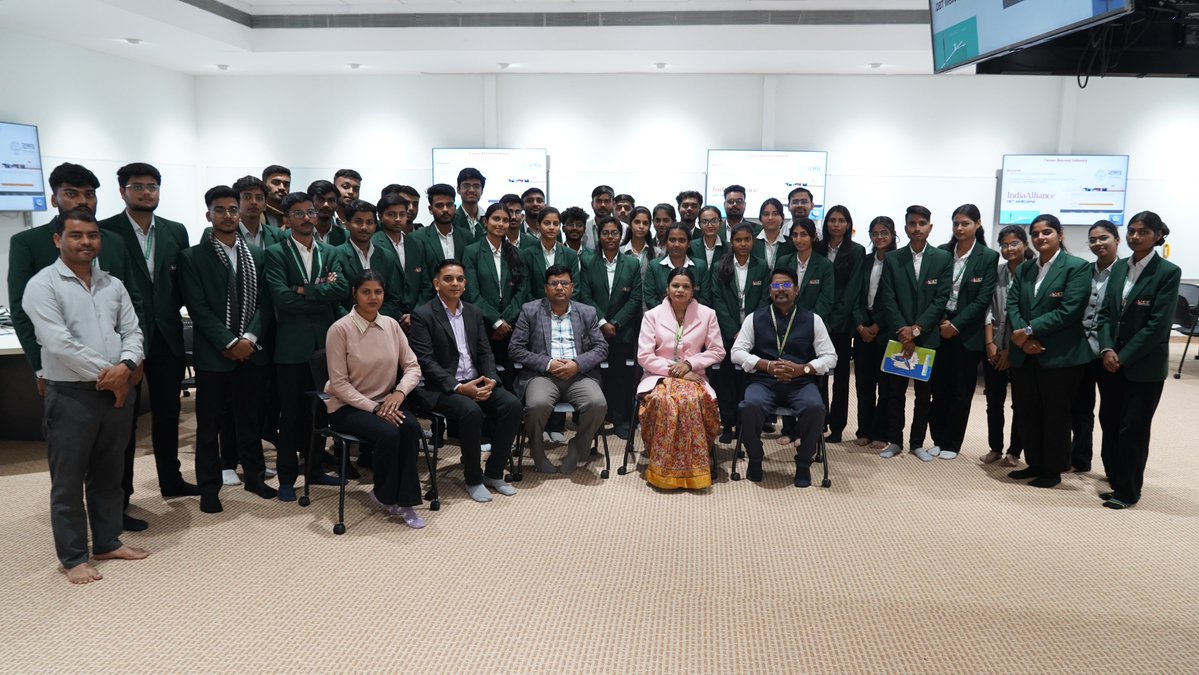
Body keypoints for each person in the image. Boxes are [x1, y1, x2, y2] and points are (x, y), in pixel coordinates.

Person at [7, 162, 148, 531]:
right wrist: (40, 367)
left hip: (121, 369)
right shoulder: (28, 244)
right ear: (55, 198)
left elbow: (130, 303)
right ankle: (73, 548)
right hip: (65, 376)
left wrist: (132, 362)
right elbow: (27, 318)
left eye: (88, 194)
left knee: (115, 454)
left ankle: (115, 518)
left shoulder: (112, 240)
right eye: (72, 193)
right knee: (70, 467)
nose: (81, 201)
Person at [23, 209, 148, 583]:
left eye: (92, 235)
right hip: (70, 395)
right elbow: (59, 344)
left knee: (109, 474)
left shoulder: (113, 284)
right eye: (76, 236)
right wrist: (112, 376)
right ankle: (74, 557)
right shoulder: (42, 285)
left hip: (116, 392)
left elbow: (133, 331)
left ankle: (107, 541)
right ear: (58, 240)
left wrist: (125, 366)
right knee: (68, 480)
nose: (86, 242)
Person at [98, 162, 196, 500]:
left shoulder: (175, 230)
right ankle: (121, 494)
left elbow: (181, 282)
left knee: (168, 413)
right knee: (123, 420)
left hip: (167, 334)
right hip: (123, 340)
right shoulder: (104, 231)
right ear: (123, 191)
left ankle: (171, 480)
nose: (145, 192)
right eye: (137, 186)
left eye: (152, 186)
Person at [178, 186, 278, 513]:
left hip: (252, 352)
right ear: (209, 215)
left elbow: (265, 302)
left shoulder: (257, 255)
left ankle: (254, 476)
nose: (227, 215)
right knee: (209, 427)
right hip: (214, 356)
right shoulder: (192, 257)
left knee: (249, 420)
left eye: (232, 209)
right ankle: (209, 488)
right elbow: (198, 307)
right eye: (219, 210)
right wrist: (230, 342)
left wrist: (248, 338)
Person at [408, 259, 522, 503]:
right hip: (441, 388)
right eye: (448, 279)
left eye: (460, 279)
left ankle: (494, 472)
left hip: (477, 380)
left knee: (512, 405)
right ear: (436, 284)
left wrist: (491, 379)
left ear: (465, 283)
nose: (455, 283)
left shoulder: (473, 311)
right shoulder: (423, 314)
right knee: (471, 412)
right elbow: (426, 362)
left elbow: (484, 352)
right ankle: (473, 478)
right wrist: (460, 387)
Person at [325, 270, 427, 528]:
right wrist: (374, 408)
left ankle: (407, 502)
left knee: (412, 427)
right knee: (388, 433)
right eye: (366, 292)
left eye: (378, 292)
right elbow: (338, 383)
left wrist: (399, 392)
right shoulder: (340, 329)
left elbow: (413, 366)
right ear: (354, 294)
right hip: (347, 407)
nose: (373, 297)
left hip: (387, 402)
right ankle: (383, 494)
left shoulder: (391, 325)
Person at [264, 191, 348, 501]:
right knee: (292, 414)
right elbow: (282, 300)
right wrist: (317, 291)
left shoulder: (330, 250)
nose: (306, 218)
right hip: (291, 347)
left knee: (320, 411)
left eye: (310, 212)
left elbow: (340, 289)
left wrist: (303, 290)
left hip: (325, 345)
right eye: (298, 213)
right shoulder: (275, 253)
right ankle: (287, 477)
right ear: (287, 219)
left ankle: (314, 470)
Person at [1095, 211, 1180, 509]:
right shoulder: (1118, 269)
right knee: (1110, 422)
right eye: (1131, 231)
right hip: (1111, 361)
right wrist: (1107, 349)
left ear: (1157, 235)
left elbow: (1157, 325)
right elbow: (1104, 313)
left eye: (1142, 232)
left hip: (1143, 366)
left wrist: (1124, 357)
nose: (1134, 237)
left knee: (1133, 428)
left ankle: (1129, 491)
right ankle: (1117, 481)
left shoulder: (1168, 272)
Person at [1006, 214, 1092, 489]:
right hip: (1025, 352)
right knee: (1027, 411)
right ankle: (1035, 463)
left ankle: (1053, 469)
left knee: (1056, 414)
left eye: (1047, 232)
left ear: (1060, 234)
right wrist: (1022, 339)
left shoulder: (1077, 267)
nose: (1040, 237)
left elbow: (1069, 311)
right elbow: (1013, 305)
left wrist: (1029, 332)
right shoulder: (1025, 268)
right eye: (1036, 233)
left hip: (1059, 355)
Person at [731, 268, 838, 486]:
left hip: (800, 382)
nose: (781, 290)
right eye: (776, 285)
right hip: (764, 381)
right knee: (748, 405)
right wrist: (765, 365)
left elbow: (830, 356)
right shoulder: (755, 318)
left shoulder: (813, 319)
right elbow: (736, 352)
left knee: (815, 408)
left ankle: (804, 463)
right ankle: (755, 458)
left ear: (797, 290)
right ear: (770, 290)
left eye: (787, 285)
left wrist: (804, 369)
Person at [509, 264, 610, 474]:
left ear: (572, 287)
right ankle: (537, 452)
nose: (559, 287)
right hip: (542, 375)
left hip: (579, 375)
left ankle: (577, 449)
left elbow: (602, 348)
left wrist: (578, 364)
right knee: (536, 405)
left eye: (564, 283)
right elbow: (515, 349)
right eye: (554, 283)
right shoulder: (530, 310)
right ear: (546, 288)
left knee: (598, 404)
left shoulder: (587, 312)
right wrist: (548, 363)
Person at [636, 267, 725, 490]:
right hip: (658, 376)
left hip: (695, 376)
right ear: (667, 288)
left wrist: (689, 365)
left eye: (686, 286)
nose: (680, 290)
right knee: (664, 402)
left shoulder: (708, 314)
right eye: (675, 285)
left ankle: (695, 468)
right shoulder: (652, 315)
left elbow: (717, 351)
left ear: (693, 290)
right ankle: (662, 468)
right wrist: (676, 371)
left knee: (691, 401)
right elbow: (644, 356)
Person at [876, 205, 952, 461]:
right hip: (898, 338)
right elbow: (888, 299)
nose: (917, 228)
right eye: (912, 223)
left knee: (923, 395)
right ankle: (894, 440)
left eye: (922, 223)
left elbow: (941, 299)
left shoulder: (942, 258)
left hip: (927, 338)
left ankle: (917, 442)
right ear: (906, 227)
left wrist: (917, 330)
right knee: (894, 394)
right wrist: (904, 332)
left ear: (930, 227)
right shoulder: (894, 258)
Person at [927, 204, 998, 460]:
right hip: (939, 325)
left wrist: (956, 326)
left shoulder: (988, 256)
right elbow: (934, 292)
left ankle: (951, 443)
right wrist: (943, 322)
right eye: (956, 223)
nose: (959, 228)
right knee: (938, 388)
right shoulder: (943, 252)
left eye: (965, 223)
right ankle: (936, 438)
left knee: (960, 391)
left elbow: (982, 301)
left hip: (966, 333)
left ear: (977, 225)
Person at [577, 216, 644, 440]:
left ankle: (619, 419)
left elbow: (635, 299)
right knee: (595, 375)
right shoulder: (588, 261)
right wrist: (602, 321)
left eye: (614, 233)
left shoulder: (632, 263)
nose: (610, 237)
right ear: (599, 236)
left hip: (622, 331)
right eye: (605, 233)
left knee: (621, 376)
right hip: (595, 330)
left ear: (621, 235)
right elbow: (584, 295)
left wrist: (615, 322)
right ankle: (595, 419)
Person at [710, 223, 771, 444]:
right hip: (727, 333)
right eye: (738, 240)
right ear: (731, 242)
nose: (743, 244)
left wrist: (748, 330)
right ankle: (727, 425)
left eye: (747, 239)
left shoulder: (762, 266)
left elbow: (765, 299)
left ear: (753, 241)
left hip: (755, 332)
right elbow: (717, 300)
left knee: (749, 380)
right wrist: (733, 331)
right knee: (726, 381)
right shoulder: (720, 265)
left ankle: (747, 426)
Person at [1069, 220, 1121, 473]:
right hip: (1081, 350)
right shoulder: (1084, 271)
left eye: (1104, 238)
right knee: (1079, 408)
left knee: (1111, 413)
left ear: (1116, 240)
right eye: (1093, 240)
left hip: (1111, 352)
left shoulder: (1125, 271)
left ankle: (1114, 468)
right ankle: (1080, 458)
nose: (1098, 244)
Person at [981, 225, 1032, 466]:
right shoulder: (996, 271)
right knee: (994, 399)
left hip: (1021, 346)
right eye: (1004, 245)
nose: (1009, 249)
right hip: (994, 342)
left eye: (1014, 243)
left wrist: (1011, 350)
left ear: (1025, 244)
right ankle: (995, 447)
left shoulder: (1033, 272)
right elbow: (988, 309)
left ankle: (1014, 451)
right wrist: (990, 343)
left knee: (1020, 402)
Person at [464, 203, 529, 391]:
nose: (501, 224)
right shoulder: (472, 251)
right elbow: (472, 293)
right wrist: (496, 321)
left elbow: (522, 291)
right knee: (485, 372)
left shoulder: (516, 253)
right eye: (496, 219)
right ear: (486, 222)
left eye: (505, 220)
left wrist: (506, 321)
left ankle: (513, 414)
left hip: (511, 326)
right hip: (482, 323)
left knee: (511, 372)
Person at [815, 205, 865, 444]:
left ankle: (837, 426)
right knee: (817, 373)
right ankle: (819, 419)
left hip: (841, 326)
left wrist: (833, 320)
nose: (836, 224)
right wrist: (820, 320)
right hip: (817, 323)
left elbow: (853, 290)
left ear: (848, 224)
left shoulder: (857, 251)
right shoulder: (817, 248)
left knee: (841, 377)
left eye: (841, 220)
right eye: (832, 220)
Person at [851, 216, 896, 449]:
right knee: (863, 384)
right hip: (863, 329)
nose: (879, 237)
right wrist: (860, 325)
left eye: (884, 233)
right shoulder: (865, 261)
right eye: (875, 233)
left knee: (885, 385)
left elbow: (895, 300)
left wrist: (877, 324)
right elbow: (854, 295)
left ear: (893, 235)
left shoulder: (898, 261)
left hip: (886, 329)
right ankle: (864, 430)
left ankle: (881, 433)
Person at [331, 199, 403, 320]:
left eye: (369, 222)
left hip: (381, 326)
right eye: (358, 222)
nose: (364, 227)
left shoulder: (387, 256)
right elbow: (335, 301)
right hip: (347, 324)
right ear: (347, 224)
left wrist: (376, 321)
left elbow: (393, 297)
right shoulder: (336, 254)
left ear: (375, 225)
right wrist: (354, 321)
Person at [372, 192, 428, 327]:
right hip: (384, 317)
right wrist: (397, 316)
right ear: (380, 216)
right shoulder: (373, 243)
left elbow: (426, 284)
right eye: (391, 214)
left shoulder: (416, 244)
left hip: (416, 317)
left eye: (402, 214)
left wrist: (415, 313)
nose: (398, 219)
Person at [412, 183, 473, 282]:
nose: (445, 209)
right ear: (430, 209)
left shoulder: (467, 236)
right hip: (431, 296)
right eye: (439, 205)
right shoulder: (417, 238)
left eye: (449, 205)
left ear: (455, 207)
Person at [643, 223, 708, 309]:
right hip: (662, 319)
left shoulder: (700, 266)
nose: (677, 245)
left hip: (694, 319)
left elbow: (705, 299)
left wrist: (685, 315)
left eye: (682, 240)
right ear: (666, 242)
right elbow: (650, 298)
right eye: (672, 240)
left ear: (688, 243)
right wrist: (671, 315)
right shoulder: (654, 266)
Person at [233, 175, 287, 251]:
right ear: (236, 203)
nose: (253, 202)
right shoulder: (228, 233)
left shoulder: (277, 235)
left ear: (265, 205)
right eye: (247, 197)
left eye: (259, 198)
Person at [752, 198, 794, 269]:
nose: (770, 218)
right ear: (760, 218)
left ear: (782, 217)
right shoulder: (752, 241)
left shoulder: (791, 243)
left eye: (775, 214)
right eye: (766, 214)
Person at [306, 180, 348, 246]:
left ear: (337, 205)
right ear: (310, 202)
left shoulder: (346, 237)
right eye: (320, 200)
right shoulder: (296, 233)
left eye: (331, 200)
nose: (326, 205)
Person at [619, 205, 655, 276]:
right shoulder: (619, 252)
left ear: (649, 226)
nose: (641, 226)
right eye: (637, 222)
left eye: (645, 223)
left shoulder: (657, 253)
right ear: (630, 224)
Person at [452, 168, 486, 240]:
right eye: (466, 186)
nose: (471, 190)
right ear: (458, 190)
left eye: (476, 186)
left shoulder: (488, 219)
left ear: (482, 190)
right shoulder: (452, 219)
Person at [584, 185, 615, 251]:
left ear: (613, 204)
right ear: (592, 204)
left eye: (607, 201)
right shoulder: (584, 229)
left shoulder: (624, 228)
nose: (602, 205)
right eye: (598, 201)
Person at [261, 165, 291, 230]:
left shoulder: (293, 214)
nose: (282, 188)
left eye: (286, 184)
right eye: (276, 183)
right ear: (264, 185)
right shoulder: (256, 212)